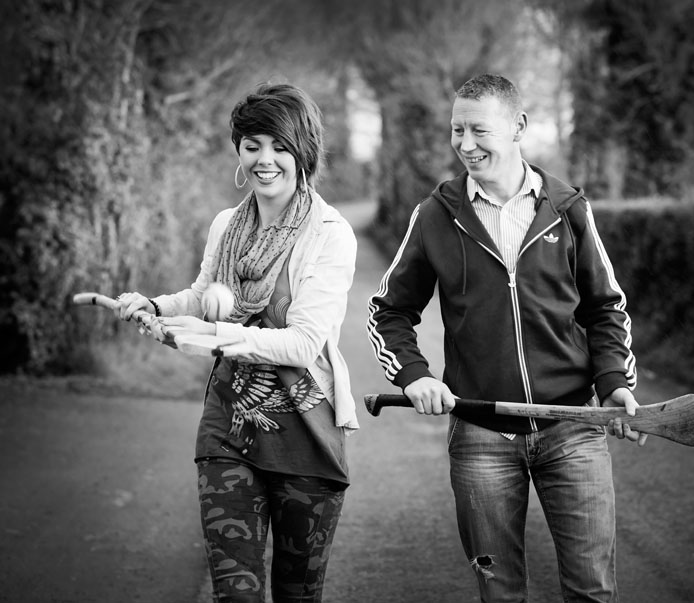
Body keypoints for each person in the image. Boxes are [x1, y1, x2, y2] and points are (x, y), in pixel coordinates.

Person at [366, 73, 646, 602]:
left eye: (478, 131)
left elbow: (605, 306)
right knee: (500, 594)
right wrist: (415, 375)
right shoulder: (434, 217)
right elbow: (388, 312)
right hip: (481, 438)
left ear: (518, 126)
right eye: (456, 131)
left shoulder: (567, 209)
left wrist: (614, 383)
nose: (465, 146)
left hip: (574, 427)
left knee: (593, 591)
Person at [115, 82, 358, 603]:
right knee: (235, 593)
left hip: (306, 434)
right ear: (239, 151)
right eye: (252, 145)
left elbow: (302, 344)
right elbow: (204, 296)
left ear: (304, 152)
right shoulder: (227, 224)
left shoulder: (330, 233)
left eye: (279, 146)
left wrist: (212, 335)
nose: (264, 159)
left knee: (298, 594)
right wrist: (156, 306)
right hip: (229, 428)